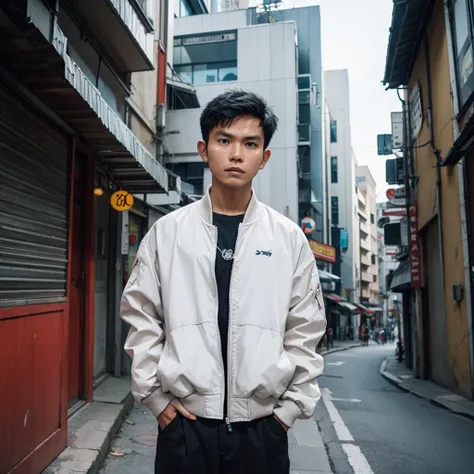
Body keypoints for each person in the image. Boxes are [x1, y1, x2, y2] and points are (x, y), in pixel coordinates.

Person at [120, 90, 327, 474]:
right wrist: (154, 397)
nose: (236, 154)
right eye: (224, 141)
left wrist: (288, 410)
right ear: (203, 149)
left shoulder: (287, 238)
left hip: (262, 429)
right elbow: (140, 313)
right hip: (185, 426)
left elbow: (306, 327)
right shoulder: (167, 233)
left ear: (264, 157)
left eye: (250, 143)